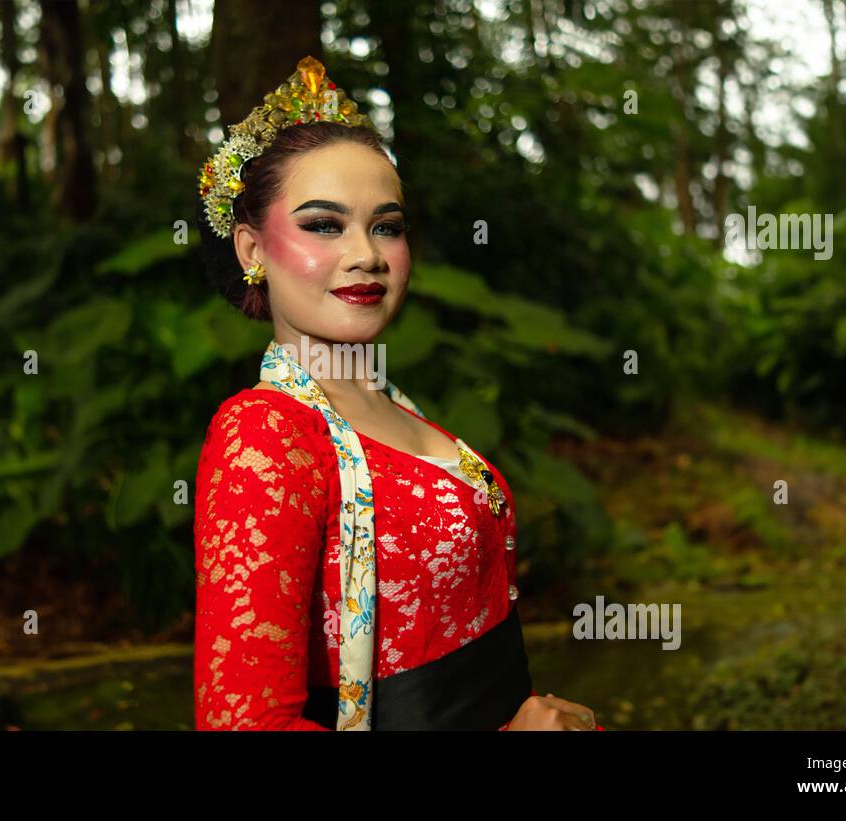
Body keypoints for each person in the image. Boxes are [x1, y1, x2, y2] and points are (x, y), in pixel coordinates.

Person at [192, 55, 597, 731]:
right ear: (250, 249)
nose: (367, 254)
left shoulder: (394, 405)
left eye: (387, 225)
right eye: (325, 224)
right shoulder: (266, 433)